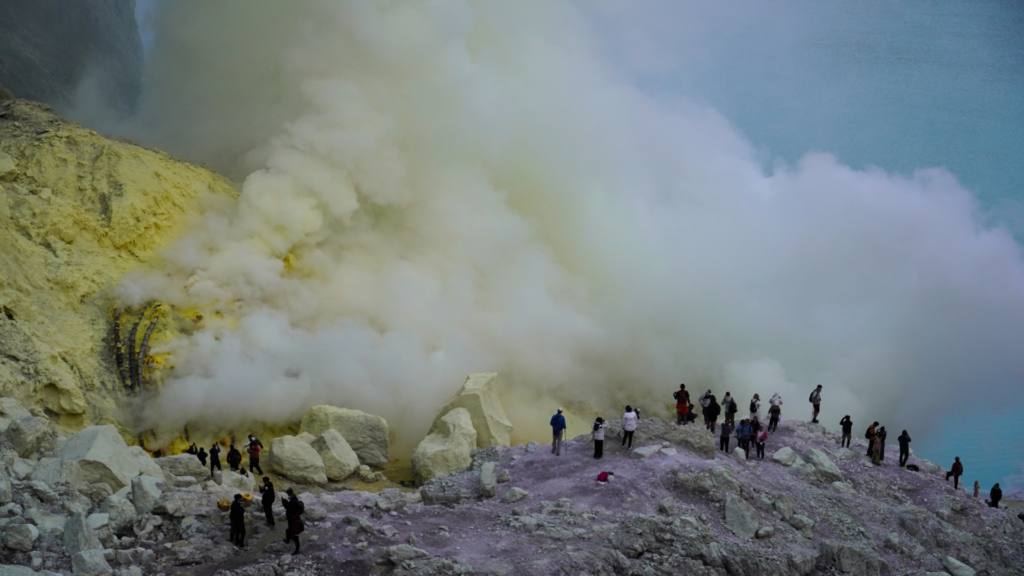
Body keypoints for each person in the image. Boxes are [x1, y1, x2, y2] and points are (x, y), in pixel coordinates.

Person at [283, 488, 304, 554]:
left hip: (294, 520)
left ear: (289, 494)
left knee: (295, 536)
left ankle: (297, 550)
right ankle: (288, 540)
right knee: (289, 530)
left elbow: (288, 508)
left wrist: (284, 503)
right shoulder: (294, 498)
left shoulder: (292, 501)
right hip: (293, 519)